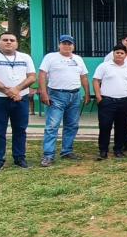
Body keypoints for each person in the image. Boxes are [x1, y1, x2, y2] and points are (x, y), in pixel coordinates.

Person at [0, 32, 36, 172]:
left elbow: (32, 77)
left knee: (20, 130)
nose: (8, 42)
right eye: (5, 40)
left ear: (17, 43)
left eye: (12, 40)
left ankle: (19, 158)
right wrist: (8, 91)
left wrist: (17, 89)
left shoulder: (25, 57)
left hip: (20, 99)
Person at [38, 34, 90, 167]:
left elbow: (84, 77)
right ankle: (48, 155)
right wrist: (43, 92)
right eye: (64, 43)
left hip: (75, 95)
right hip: (56, 95)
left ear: (73, 46)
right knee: (52, 126)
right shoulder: (50, 57)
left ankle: (67, 151)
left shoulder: (78, 59)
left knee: (72, 125)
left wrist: (87, 93)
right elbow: (42, 75)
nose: (67, 46)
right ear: (59, 45)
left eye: (69, 44)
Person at [93, 44, 127, 160]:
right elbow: (96, 81)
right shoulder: (104, 66)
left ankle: (118, 149)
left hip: (125, 101)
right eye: (117, 52)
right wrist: (98, 97)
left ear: (125, 55)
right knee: (105, 126)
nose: (119, 55)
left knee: (121, 126)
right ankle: (103, 150)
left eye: (122, 53)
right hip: (107, 101)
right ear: (113, 53)